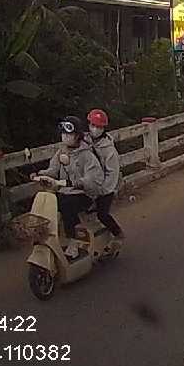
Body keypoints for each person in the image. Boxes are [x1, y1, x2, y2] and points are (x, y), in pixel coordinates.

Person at [36, 116, 102, 258]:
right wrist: (41, 174)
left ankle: (74, 242)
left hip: (84, 193)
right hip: (65, 191)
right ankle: (51, 241)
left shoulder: (87, 154)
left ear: (77, 136)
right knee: (48, 205)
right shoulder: (61, 152)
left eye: (69, 134)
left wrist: (77, 182)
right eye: (63, 134)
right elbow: (53, 169)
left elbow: (93, 178)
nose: (65, 137)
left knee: (67, 206)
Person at [86, 109, 123, 239]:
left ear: (103, 129)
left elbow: (112, 173)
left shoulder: (109, 150)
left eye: (99, 127)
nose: (95, 129)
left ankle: (118, 233)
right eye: (93, 125)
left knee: (102, 214)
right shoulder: (84, 141)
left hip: (106, 187)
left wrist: (103, 191)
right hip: (90, 183)